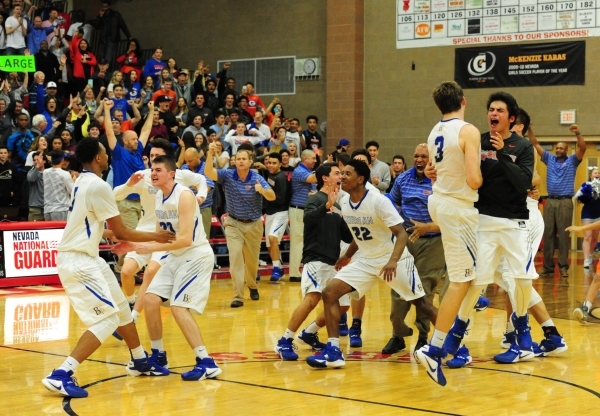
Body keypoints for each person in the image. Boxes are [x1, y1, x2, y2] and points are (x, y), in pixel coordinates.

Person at [41, 138, 174, 399]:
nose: (107, 154)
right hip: (78, 261)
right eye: (104, 151)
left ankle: (139, 359)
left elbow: (96, 223)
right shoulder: (99, 185)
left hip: (89, 258)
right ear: (99, 158)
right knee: (108, 318)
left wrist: (114, 235)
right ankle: (62, 373)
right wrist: (154, 238)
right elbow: (123, 229)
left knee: (122, 309)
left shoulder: (82, 181)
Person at [305, 159, 435, 369]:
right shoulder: (345, 201)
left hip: (393, 259)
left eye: (347, 174)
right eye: (342, 173)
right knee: (330, 293)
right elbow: (360, 233)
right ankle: (334, 350)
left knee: (423, 305)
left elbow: (401, 233)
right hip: (366, 259)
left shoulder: (378, 200)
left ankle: (452, 343)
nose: (343, 177)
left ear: (361, 179)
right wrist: (348, 254)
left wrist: (393, 261)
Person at [111, 155, 221, 381]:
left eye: (158, 170)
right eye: (152, 169)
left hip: (195, 255)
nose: (153, 173)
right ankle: (159, 357)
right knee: (150, 300)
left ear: (171, 174)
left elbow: (185, 239)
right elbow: (162, 237)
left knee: (179, 307)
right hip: (174, 255)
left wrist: (145, 247)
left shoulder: (185, 196)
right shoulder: (160, 196)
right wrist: (133, 244)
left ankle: (206, 362)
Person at [414, 81, 482, 386]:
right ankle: (438, 345)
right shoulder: (468, 130)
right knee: (461, 280)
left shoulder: (434, 131)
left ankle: (445, 338)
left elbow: (431, 168)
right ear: (463, 100)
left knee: (472, 277)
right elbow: (474, 179)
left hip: (439, 201)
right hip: (457, 207)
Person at [113, 139, 207, 321]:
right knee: (125, 272)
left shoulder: (179, 177)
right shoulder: (142, 175)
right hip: (145, 230)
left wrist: (201, 195)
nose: (153, 161)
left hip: (165, 234)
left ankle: (133, 316)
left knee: (150, 273)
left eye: (158, 157)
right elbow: (116, 194)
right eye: (152, 156)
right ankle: (132, 302)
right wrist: (129, 185)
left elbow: (202, 179)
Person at [275, 163, 353, 360]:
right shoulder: (315, 199)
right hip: (315, 259)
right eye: (337, 173)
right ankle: (284, 341)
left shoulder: (338, 205)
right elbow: (308, 219)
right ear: (325, 178)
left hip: (333, 262)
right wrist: (326, 206)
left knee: (343, 305)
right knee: (312, 299)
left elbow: (345, 236)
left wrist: (354, 220)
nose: (340, 176)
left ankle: (309, 332)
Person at [384, 144, 446, 355]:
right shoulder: (403, 179)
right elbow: (391, 203)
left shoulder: (441, 180)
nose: (419, 160)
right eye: (416, 156)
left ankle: (423, 336)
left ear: (432, 159)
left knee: (425, 288)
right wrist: (398, 226)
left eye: (424, 157)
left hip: (433, 241)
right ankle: (398, 335)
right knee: (399, 285)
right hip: (406, 240)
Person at [204, 142, 275, 307]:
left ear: (251, 161)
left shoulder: (258, 178)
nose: (241, 161)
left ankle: (252, 285)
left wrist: (263, 191)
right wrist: (209, 154)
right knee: (235, 258)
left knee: (251, 261)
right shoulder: (227, 175)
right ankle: (238, 296)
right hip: (234, 223)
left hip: (254, 224)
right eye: (238, 159)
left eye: (244, 159)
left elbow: (272, 196)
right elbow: (209, 172)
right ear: (234, 161)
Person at [528, 124, 586, 278]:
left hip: (565, 201)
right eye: (557, 148)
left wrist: (577, 133)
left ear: (566, 150)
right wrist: (529, 129)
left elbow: (583, 147)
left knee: (563, 233)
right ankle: (547, 267)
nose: (559, 150)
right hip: (551, 201)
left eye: (561, 148)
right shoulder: (550, 159)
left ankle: (563, 267)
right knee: (548, 233)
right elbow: (535, 144)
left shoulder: (573, 161)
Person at [288, 150, 318, 282]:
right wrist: (328, 165)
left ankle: (303, 270)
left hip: (306, 211)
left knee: (305, 242)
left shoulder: (308, 171)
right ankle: (294, 273)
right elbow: (315, 179)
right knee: (297, 242)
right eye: (313, 158)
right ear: (305, 159)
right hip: (298, 210)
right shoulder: (299, 171)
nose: (315, 161)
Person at [263, 152, 289, 281]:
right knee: (269, 245)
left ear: (280, 164)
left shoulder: (281, 178)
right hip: (270, 213)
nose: (271, 165)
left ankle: (276, 269)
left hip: (281, 212)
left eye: (274, 163)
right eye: (269, 163)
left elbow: (279, 199)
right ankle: (279, 268)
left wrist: (265, 194)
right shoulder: (270, 174)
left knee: (273, 238)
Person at [180, 147, 214, 238]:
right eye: (186, 161)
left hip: (203, 207)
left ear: (198, 157)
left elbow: (207, 188)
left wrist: (195, 184)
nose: (188, 163)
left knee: (203, 237)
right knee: (187, 237)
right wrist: (197, 184)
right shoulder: (184, 168)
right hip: (187, 208)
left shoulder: (207, 168)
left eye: (190, 161)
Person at [92, 1, 131, 67]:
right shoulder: (101, 16)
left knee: (108, 56)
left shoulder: (116, 15)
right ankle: (102, 71)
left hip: (112, 38)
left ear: (109, 7)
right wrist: (100, 16)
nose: (104, 8)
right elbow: (96, 26)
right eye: (103, 7)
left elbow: (122, 25)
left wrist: (128, 36)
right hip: (103, 38)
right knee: (102, 56)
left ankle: (106, 70)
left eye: (106, 7)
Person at [575, 168, 600, 269]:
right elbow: (577, 196)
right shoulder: (586, 185)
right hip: (587, 213)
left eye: (599, 173)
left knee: (594, 238)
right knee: (587, 237)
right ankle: (585, 260)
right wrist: (585, 196)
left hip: (598, 214)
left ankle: (590, 255)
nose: (597, 174)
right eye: (595, 173)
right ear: (591, 175)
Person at [43, 150, 74, 220]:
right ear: (62, 160)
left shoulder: (45, 172)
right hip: (61, 209)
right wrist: (74, 181)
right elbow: (72, 191)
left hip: (47, 210)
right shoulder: (65, 174)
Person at [26, 151, 45, 220]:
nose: (36, 162)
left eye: (38, 160)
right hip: (35, 209)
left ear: (44, 161)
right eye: (35, 160)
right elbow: (31, 179)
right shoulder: (31, 172)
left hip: (48, 208)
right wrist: (37, 167)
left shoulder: (49, 173)